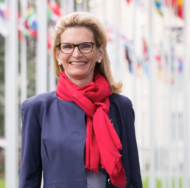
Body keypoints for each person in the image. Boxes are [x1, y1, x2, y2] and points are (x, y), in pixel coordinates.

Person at [19, 12, 142, 188]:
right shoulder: (37, 108)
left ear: (100, 52)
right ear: (58, 54)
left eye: (85, 46)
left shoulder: (121, 106)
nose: (76, 54)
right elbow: (28, 180)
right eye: (68, 46)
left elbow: (133, 177)